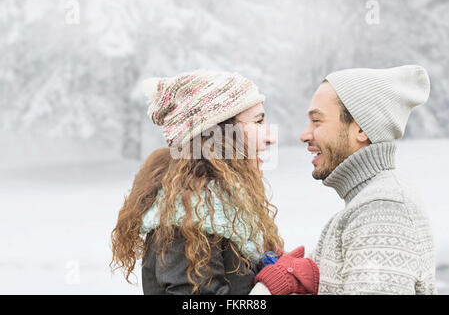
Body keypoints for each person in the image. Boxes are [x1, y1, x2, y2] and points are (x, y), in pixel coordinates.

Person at [110, 69, 319, 295]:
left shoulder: (219, 211)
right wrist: (269, 287)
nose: (270, 137)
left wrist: (267, 267)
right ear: (219, 136)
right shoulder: (188, 218)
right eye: (258, 121)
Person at [299, 65, 436, 294]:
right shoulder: (363, 204)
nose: (304, 134)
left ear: (361, 129)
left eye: (317, 121)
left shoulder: (383, 210)